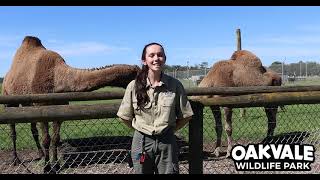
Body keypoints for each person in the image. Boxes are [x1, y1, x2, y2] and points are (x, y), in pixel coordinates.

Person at [117, 42, 194, 174]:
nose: (156, 58)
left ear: (164, 58)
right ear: (144, 60)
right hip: (141, 142)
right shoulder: (134, 86)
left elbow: (186, 115)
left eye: (160, 55)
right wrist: (140, 129)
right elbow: (124, 116)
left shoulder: (175, 85)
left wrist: (169, 130)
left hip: (167, 142)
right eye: (151, 55)